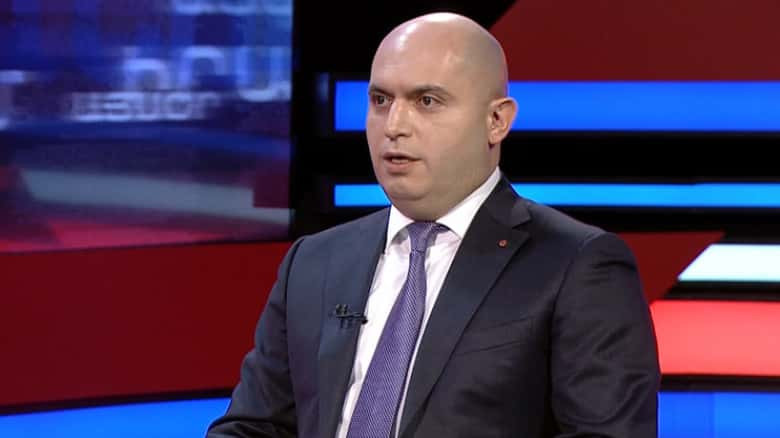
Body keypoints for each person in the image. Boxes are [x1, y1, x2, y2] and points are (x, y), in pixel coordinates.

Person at [207, 12, 659, 438]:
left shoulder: (577, 266)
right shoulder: (313, 262)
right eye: (380, 100)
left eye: (427, 101)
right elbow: (252, 427)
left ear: (496, 121)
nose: (394, 126)